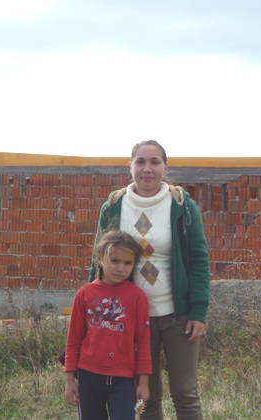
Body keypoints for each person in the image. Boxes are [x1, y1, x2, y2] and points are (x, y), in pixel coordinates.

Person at [88, 140, 211, 420]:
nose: (147, 169)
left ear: (165, 168)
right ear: (130, 166)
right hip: (130, 318)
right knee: (144, 395)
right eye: (140, 162)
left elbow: (199, 259)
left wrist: (198, 311)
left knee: (185, 392)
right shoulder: (114, 207)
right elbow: (98, 260)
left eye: (155, 162)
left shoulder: (183, 206)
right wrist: (94, 311)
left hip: (178, 315)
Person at [65, 230, 152, 420]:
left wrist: (143, 383)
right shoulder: (84, 294)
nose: (121, 268)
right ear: (100, 258)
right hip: (88, 376)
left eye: (128, 263)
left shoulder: (138, 298)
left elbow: (143, 342)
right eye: (114, 261)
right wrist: (70, 379)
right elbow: (74, 339)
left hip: (124, 379)